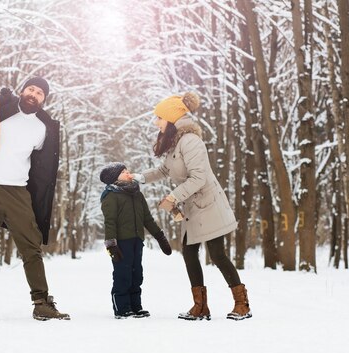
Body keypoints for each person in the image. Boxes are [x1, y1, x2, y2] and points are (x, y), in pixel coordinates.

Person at [137, 92, 252, 321]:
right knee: (189, 253)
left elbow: (199, 177)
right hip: (192, 205)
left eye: (159, 117)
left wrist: (173, 197)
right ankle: (200, 307)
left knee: (217, 254)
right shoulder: (175, 143)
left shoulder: (190, 141)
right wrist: (138, 177)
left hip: (208, 204)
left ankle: (242, 304)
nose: (155, 122)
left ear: (171, 118)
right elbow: (164, 171)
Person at [0, 76, 70, 322]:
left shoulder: (42, 129)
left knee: (32, 248)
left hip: (17, 192)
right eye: (31, 89)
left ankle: (41, 303)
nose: (34, 94)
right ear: (22, 91)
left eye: (40, 93)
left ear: (44, 100)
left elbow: (41, 168)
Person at [100, 162, 172, 319]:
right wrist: (112, 245)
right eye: (123, 171)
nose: (128, 173)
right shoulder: (111, 196)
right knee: (123, 274)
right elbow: (109, 222)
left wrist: (159, 236)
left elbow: (147, 218)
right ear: (114, 178)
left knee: (136, 274)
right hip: (121, 243)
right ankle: (122, 308)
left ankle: (135, 306)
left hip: (137, 241)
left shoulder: (137, 194)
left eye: (127, 170)